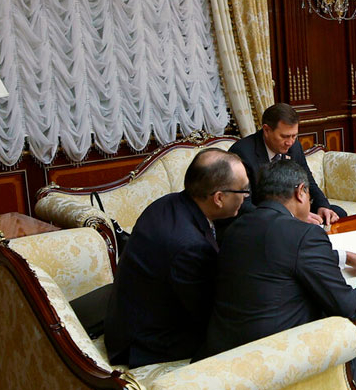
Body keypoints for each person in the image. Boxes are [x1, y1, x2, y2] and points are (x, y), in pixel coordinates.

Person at [195, 158, 356, 390]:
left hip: (226, 347)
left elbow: (278, 256)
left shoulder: (235, 227)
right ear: (301, 192)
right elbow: (349, 306)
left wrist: (341, 256)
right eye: (309, 195)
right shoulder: (303, 234)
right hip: (275, 356)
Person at [104, 148, 250, 367]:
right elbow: (208, 311)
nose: (246, 196)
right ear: (219, 198)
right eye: (243, 190)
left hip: (132, 318)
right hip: (146, 342)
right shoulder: (189, 246)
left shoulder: (168, 203)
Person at [229, 102, 345, 226]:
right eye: (284, 136)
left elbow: (308, 181)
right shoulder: (243, 153)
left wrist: (322, 206)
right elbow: (243, 204)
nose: (290, 142)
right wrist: (290, 218)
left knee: (336, 213)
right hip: (261, 217)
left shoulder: (294, 147)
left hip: (291, 210)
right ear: (267, 130)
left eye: (294, 136)